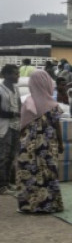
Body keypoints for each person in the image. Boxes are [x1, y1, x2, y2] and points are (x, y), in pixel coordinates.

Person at [16, 70, 64, 213]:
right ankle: (48, 204)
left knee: (28, 172)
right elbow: (57, 125)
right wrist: (61, 143)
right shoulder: (52, 105)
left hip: (28, 145)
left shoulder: (27, 102)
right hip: (47, 145)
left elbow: (22, 125)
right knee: (48, 172)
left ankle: (29, 205)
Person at [0, 65, 21, 194]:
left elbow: (20, 105)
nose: (17, 76)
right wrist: (13, 114)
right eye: (15, 74)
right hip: (4, 127)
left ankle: (7, 183)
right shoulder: (1, 90)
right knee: (3, 156)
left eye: (18, 74)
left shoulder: (16, 89)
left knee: (12, 156)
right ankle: (1, 186)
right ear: (6, 75)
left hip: (15, 126)